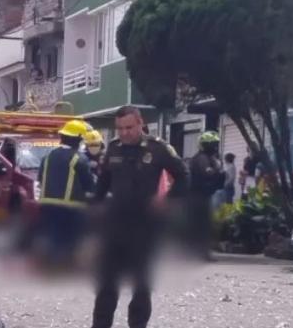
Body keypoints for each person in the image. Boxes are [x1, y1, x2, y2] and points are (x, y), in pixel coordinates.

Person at [92, 106, 188, 328]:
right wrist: (95, 207)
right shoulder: (113, 149)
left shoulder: (158, 148)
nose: (124, 133)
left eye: (129, 127)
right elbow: (103, 182)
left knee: (141, 285)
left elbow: (184, 177)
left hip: (145, 228)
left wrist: (166, 200)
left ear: (140, 123)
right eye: (120, 128)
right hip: (116, 226)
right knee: (107, 285)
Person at [37, 120, 95, 269]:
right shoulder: (79, 158)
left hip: (47, 204)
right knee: (71, 236)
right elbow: (89, 183)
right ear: (77, 139)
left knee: (53, 234)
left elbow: (40, 178)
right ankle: (65, 266)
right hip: (70, 205)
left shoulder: (48, 156)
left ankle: (50, 264)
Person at [187, 131, 226, 261]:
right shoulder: (202, 158)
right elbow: (208, 174)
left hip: (205, 195)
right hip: (198, 196)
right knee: (201, 225)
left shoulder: (210, 158)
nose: (215, 147)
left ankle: (201, 253)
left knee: (204, 225)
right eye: (212, 144)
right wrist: (218, 170)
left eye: (216, 144)